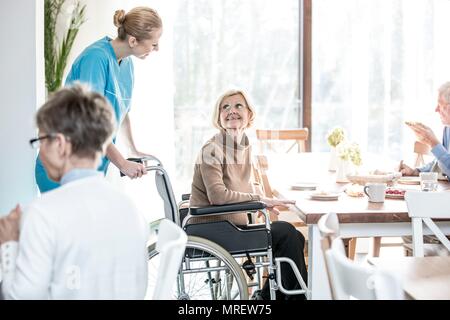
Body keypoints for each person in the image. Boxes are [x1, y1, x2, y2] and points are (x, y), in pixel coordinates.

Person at [0, 84, 149, 299]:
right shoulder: (131, 210)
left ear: (60, 144)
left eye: (41, 140)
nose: (40, 151)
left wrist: (9, 244)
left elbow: (21, 297)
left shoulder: (42, 213)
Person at [189, 89, 307, 300]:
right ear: (218, 117)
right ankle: (294, 299)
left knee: (294, 237)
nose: (231, 111)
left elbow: (245, 183)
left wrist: (260, 198)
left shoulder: (243, 146)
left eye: (238, 106)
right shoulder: (212, 149)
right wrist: (258, 200)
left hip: (233, 223)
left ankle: (266, 297)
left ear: (249, 115)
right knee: (287, 234)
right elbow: (218, 195)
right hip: (216, 227)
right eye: (225, 107)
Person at [35, 6, 163, 192]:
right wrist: (122, 164)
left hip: (90, 167)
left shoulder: (127, 63)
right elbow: (89, 125)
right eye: (154, 44)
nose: (157, 48)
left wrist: (132, 150)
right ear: (133, 40)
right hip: (63, 166)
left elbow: (122, 110)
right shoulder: (95, 59)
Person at [399, 82, 450, 180]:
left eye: (439, 105)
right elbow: (441, 161)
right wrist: (417, 171)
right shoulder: (447, 129)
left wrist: (433, 143)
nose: (436, 110)